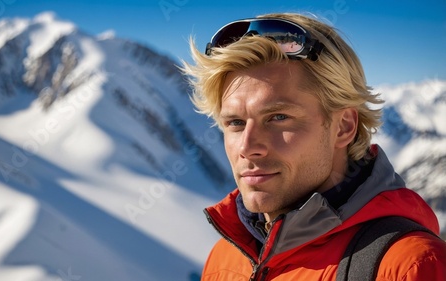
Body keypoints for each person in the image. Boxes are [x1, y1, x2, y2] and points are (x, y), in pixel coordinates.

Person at [182, 13, 446, 280]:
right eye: (236, 122)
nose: (247, 147)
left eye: (278, 117)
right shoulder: (225, 260)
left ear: (343, 126)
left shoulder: (412, 266)